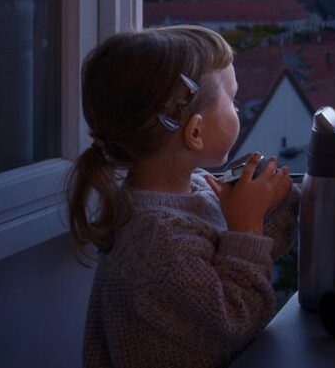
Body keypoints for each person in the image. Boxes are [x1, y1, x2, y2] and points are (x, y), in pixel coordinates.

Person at [66, 25, 299, 368]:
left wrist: (290, 204)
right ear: (195, 132)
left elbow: (231, 259)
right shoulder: (156, 244)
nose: (240, 110)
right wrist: (247, 224)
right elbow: (238, 315)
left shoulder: (190, 190)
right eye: (233, 102)